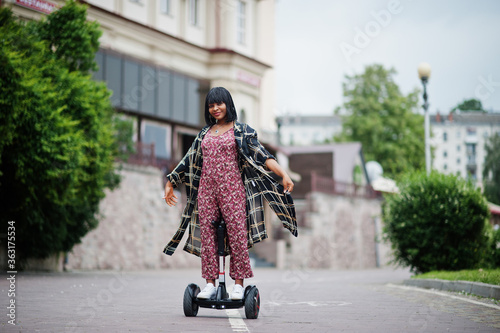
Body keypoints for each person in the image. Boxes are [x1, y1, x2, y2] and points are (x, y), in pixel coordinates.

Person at [163, 87, 297, 300]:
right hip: (206, 192)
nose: (215, 108)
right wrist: (171, 181)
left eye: (219, 104)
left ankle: (238, 285)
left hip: (233, 191)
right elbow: (188, 159)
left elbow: (262, 155)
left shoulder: (241, 130)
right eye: (211, 105)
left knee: (237, 236)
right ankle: (210, 284)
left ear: (228, 104)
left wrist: (284, 174)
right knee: (207, 237)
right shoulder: (204, 133)